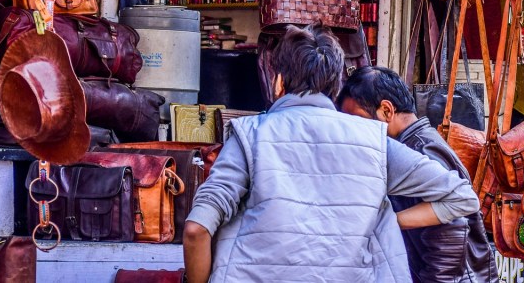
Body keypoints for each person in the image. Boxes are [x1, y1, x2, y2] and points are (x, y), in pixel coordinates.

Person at [183, 26, 480, 283]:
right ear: (334, 87)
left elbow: (197, 229)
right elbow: (462, 198)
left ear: (279, 83)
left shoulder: (249, 135)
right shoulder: (373, 141)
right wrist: (388, 222)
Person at [339, 66, 497, 283]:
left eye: (358, 120)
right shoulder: (418, 143)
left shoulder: (420, 151)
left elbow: (449, 239)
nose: (354, 131)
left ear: (387, 110)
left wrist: (389, 222)